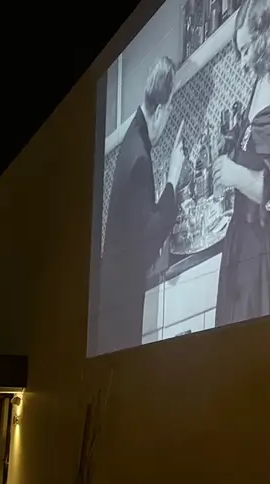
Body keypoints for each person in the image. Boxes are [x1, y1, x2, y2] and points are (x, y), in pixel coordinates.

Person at [213, 0, 270, 326]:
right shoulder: (266, 72)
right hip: (243, 239)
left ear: (266, 35)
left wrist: (233, 174)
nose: (242, 63)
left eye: (246, 50)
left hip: (258, 250)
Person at [96, 56, 186, 355]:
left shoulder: (135, 134)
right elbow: (150, 239)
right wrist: (173, 176)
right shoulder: (139, 157)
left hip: (115, 287)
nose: (169, 116)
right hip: (120, 296)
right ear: (159, 110)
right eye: (169, 109)